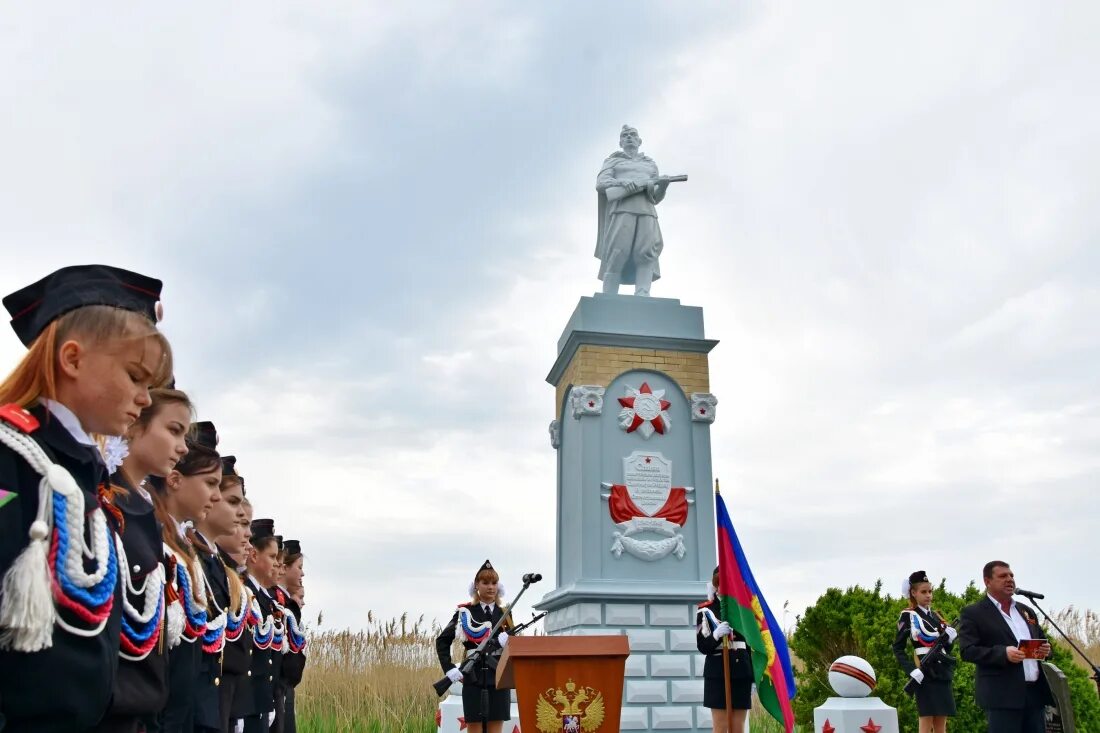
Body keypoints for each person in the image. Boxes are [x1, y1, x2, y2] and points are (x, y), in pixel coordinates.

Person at [0, 264, 171, 733]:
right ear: (72, 359)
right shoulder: (12, 459)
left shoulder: (83, 480)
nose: (143, 400)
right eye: (136, 377)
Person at [97, 388, 192, 733]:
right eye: (173, 430)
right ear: (135, 424)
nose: (182, 447)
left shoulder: (145, 512)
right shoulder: (103, 500)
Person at [147, 426, 223, 733]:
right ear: (175, 480)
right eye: (210, 483)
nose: (215, 496)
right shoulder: (152, 540)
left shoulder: (184, 551)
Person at [959, 561, 1053, 733]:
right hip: (1002, 697)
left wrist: (1047, 650)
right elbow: (967, 651)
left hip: (1034, 696)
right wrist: (1002, 653)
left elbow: (1042, 640)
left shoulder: (1026, 611)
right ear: (987, 581)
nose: (1009, 579)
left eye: (1011, 576)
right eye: (1003, 576)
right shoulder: (974, 613)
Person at [435, 559, 513, 733]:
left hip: (499, 675)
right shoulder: (465, 612)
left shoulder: (505, 614)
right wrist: (449, 669)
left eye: (494, 583)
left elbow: (515, 647)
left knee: (495, 728)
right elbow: (442, 641)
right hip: (473, 675)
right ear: (476, 585)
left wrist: (508, 641)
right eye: (485, 582)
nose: (490, 587)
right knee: (475, 727)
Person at [594, 125, 671, 296]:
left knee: (646, 253)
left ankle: (643, 293)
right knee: (617, 253)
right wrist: (622, 183)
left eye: (633, 135)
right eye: (625, 135)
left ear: (639, 141)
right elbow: (601, 183)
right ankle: (609, 296)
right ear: (620, 142)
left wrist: (663, 187)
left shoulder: (650, 164)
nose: (629, 137)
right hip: (622, 210)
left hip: (647, 211)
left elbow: (655, 198)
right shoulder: (613, 160)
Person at [892, 571, 957, 732]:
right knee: (926, 720)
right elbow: (898, 648)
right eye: (923, 592)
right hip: (925, 672)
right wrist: (911, 670)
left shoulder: (936, 616)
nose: (928, 595)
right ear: (913, 593)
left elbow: (945, 648)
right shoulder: (908, 615)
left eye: (930, 591)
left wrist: (950, 640)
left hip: (942, 672)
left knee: (941, 723)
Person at [696, 566, 752, 733]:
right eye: (721, 583)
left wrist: (753, 673)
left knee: (738, 727)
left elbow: (751, 644)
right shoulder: (705, 610)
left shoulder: (744, 610)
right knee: (720, 727)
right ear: (716, 585)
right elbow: (702, 645)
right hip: (717, 671)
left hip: (741, 670)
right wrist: (716, 635)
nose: (725, 587)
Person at [241, 518, 282, 733]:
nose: (277, 563)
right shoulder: (245, 593)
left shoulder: (264, 599)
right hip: (246, 701)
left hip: (260, 699)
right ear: (254, 556)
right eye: (273, 556)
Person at [276, 539, 307, 733]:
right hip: (277, 688)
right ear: (285, 568)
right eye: (299, 567)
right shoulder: (279, 605)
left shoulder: (286, 604)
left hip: (285, 690)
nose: (302, 573)